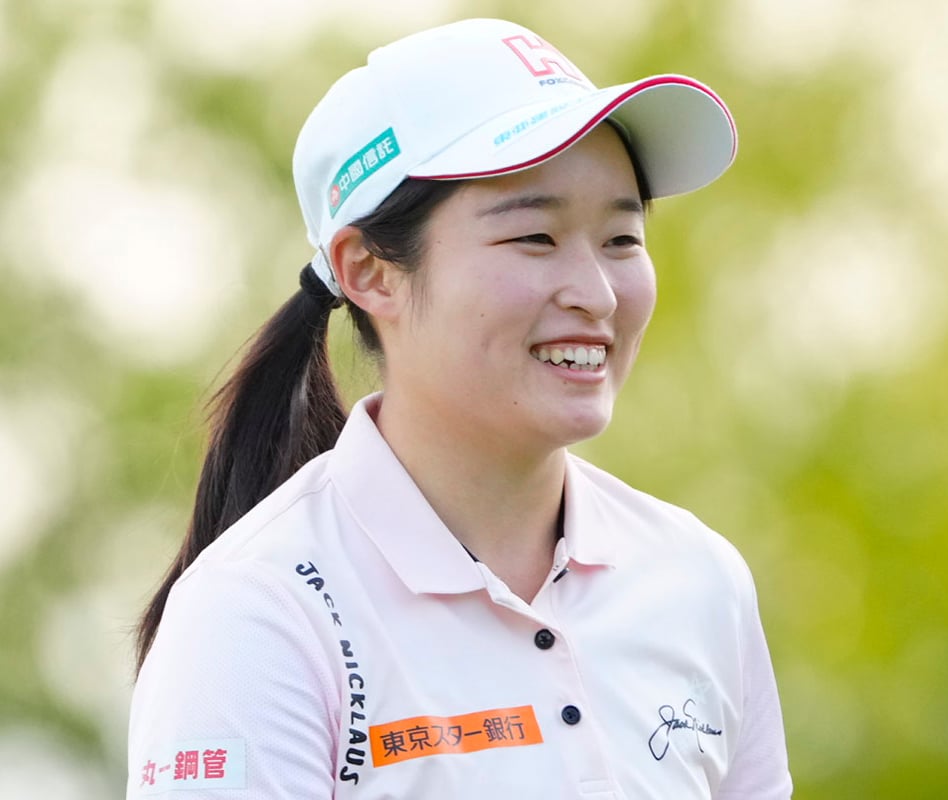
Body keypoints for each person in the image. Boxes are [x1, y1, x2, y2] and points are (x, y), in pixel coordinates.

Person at [126, 17, 791, 799]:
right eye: (535, 237)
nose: (597, 293)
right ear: (369, 271)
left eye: (621, 239)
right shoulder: (257, 612)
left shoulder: (698, 578)